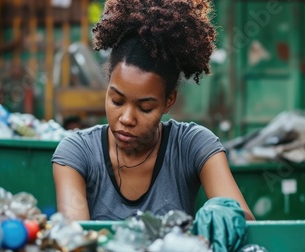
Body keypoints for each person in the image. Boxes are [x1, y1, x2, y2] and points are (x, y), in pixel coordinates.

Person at [52, 0, 255, 221]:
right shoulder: (77, 152)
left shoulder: (193, 146)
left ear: (169, 101)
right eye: (117, 101)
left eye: (145, 107)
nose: (127, 119)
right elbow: (75, 236)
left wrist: (223, 217)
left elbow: (245, 223)